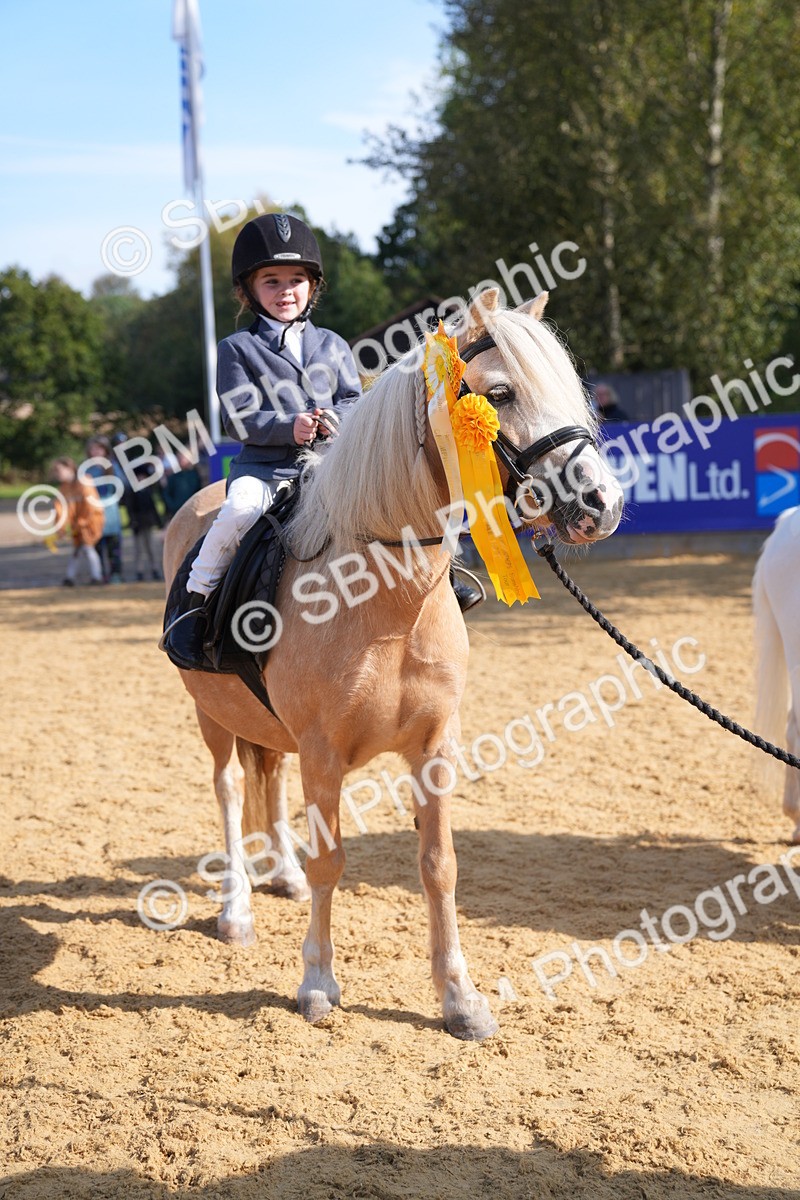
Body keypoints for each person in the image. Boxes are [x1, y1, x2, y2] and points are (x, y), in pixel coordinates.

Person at [165, 213, 363, 668]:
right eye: (271, 281)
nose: (285, 291)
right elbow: (238, 417)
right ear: (248, 291)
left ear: (312, 287)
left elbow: (354, 400)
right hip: (265, 470)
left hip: (329, 465)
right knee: (238, 512)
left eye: (296, 280)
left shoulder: (333, 344)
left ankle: (440, 582)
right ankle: (194, 606)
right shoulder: (237, 349)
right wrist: (287, 427)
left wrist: (334, 418)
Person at [51, 457, 105, 586]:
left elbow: (91, 506)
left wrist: (82, 522)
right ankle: (71, 577)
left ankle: (96, 576)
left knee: (87, 547)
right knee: (78, 549)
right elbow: (60, 509)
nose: (58, 474)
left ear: (70, 468)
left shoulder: (84, 482)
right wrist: (61, 527)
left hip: (90, 522)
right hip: (77, 524)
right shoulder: (64, 488)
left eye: (59, 470)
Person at [85, 436, 123, 582]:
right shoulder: (87, 469)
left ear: (105, 450)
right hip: (93, 513)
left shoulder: (112, 466)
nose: (96, 452)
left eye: (99, 448)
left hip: (110, 512)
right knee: (97, 547)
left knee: (114, 546)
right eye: (93, 449)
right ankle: (100, 574)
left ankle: (116, 574)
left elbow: (123, 484)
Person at [127, 462, 164, 581]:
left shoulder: (148, 491)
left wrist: (158, 521)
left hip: (147, 523)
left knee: (151, 548)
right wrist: (133, 521)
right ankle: (139, 570)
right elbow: (130, 509)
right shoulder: (132, 492)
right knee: (138, 549)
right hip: (138, 524)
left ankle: (154, 569)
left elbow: (153, 508)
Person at [162, 451, 202, 521]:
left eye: (183, 458)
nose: (180, 460)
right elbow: (167, 493)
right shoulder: (173, 477)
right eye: (179, 458)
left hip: (193, 511)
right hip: (176, 513)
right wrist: (173, 506)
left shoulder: (195, 475)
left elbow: (199, 490)